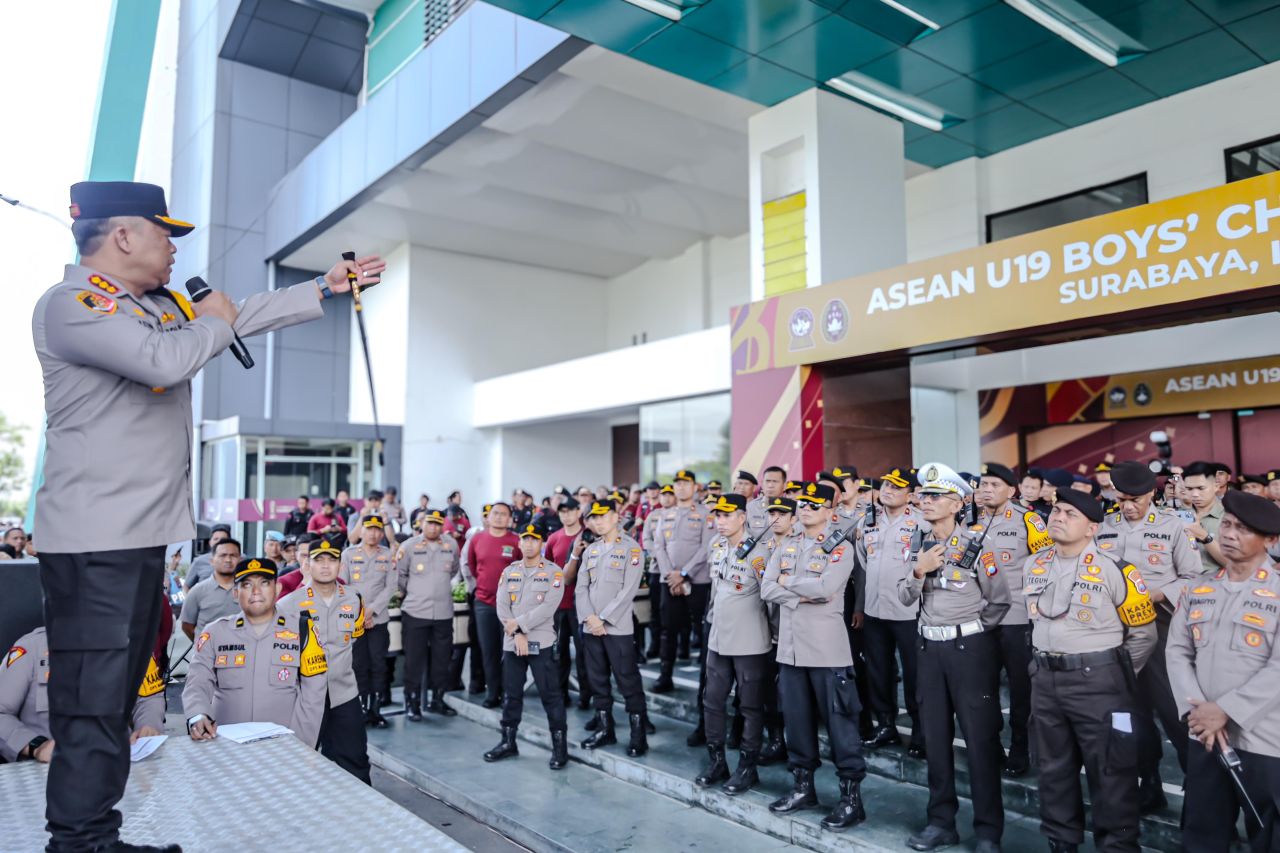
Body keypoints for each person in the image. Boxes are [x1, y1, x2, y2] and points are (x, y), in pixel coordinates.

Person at [29, 180, 380, 853]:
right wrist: (214, 321)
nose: (173, 249)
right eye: (165, 234)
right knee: (90, 703)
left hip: (138, 538)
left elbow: (234, 314)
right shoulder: (73, 306)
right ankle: (75, 843)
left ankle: (96, 835)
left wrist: (323, 287)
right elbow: (163, 361)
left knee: (116, 696)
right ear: (123, 234)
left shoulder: (155, 306)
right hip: (91, 541)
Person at [1025, 487, 1157, 853]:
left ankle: (1117, 847)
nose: (1058, 518)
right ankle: (1061, 842)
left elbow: (1144, 635)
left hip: (1099, 682)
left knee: (1111, 771)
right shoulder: (1033, 564)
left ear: (1092, 528)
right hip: (1046, 679)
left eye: (1070, 514)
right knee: (1052, 769)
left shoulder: (1117, 569)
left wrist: (1110, 671)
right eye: (1056, 511)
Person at [897, 464, 1010, 853]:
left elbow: (999, 601)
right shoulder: (918, 543)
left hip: (968, 650)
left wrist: (971, 631)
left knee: (980, 742)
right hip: (928, 649)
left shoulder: (977, 544)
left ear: (958, 503)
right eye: (924, 495)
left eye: (936, 496)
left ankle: (988, 832)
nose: (926, 502)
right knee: (935, 738)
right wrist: (919, 570)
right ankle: (941, 822)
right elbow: (904, 597)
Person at [1167, 490, 1280, 850]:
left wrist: (1226, 711)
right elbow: (1177, 652)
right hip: (1204, 734)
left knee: (1270, 836)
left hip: (1264, 739)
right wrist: (1198, 712)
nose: (1229, 534)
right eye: (1227, 524)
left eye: (1243, 529)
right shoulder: (1198, 588)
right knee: (1202, 834)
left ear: (1271, 541)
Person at [760, 482, 867, 830]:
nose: (805, 509)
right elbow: (765, 588)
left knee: (840, 727)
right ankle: (803, 788)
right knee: (796, 724)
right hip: (790, 651)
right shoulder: (787, 544)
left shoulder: (840, 547)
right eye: (803, 504)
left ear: (830, 512)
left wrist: (786, 583)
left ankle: (851, 800)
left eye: (814, 504)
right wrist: (798, 592)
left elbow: (825, 589)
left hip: (826, 652)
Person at [1096, 460, 1202, 809]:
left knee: (1174, 713)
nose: (1128, 506)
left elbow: (1193, 579)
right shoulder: (1104, 526)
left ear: (1151, 495)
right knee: (1132, 713)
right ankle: (1149, 783)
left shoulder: (1173, 526)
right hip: (1115, 632)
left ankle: (1199, 793)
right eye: (1122, 499)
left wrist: (1153, 595)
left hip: (1161, 629)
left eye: (1135, 500)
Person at [184, 557, 328, 747]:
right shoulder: (215, 632)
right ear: (236, 593)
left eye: (264, 583)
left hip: (284, 744)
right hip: (224, 744)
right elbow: (197, 682)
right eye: (247, 584)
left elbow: (314, 694)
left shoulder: (303, 630)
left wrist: (301, 744)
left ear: (277, 589)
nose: (256, 591)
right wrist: (198, 714)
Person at [972, 462, 1053, 778]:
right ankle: (990, 747)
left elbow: (1047, 565)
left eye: (994, 484)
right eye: (983, 484)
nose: (987, 490)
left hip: (1017, 619)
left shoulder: (1028, 520)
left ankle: (1020, 749)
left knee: (1021, 690)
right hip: (979, 619)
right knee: (983, 688)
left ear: (1011, 490)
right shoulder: (970, 521)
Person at [695, 494, 773, 795]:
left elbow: (771, 599)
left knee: (750, 706)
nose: (721, 521)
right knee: (712, 700)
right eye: (718, 515)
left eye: (727, 515)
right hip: (719, 637)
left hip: (750, 640)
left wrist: (773, 633)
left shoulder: (760, 553)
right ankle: (717, 762)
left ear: (743, 517)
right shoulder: (718, 548)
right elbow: (717, 592)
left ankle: (747, 767)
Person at [278, 536, 370, 783]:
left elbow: (355, 639)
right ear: (308, 564)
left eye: (332, 560)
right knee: (298, 761)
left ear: (341, 565)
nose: (326, 566)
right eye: (319, 560)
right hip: (304, 697)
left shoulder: (354, 599)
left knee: (355, 758)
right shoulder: (289, 604)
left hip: (344, 693)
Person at [1, 628, 166, 763]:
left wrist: (148, 727)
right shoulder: (31, 648)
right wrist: (37, 746)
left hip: (118, 767)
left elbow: (148, 698)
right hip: (50, 772)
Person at [484, 525, 569, 770]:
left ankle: (560, 748)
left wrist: (519, 627)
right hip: (513, 643)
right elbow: (502, 606)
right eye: (525, 539)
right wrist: (517, 633)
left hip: (541, 643)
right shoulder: (509, 571)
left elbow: (548, 608)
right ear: (519, 543)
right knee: (511, 695)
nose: (529, 544)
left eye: (534, 539)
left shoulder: (554, 572)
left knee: (550, 695)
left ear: (542, 543)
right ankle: (508, 742)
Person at [859, 467, 928, 756]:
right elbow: (864, 559)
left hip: (908, 611)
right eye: (886, 485)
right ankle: (886, 725)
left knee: (915, 674)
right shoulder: (868, 520)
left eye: (896, 487)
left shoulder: (922, 522)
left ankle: (921, 731)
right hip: (875, 609)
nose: (887, 490)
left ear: (910, 495)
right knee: (878, 671)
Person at [576, 499, 649, 756]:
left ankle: (638, 735)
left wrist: (603, 618)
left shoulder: (632, 549)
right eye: (594, 517)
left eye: (603, 516)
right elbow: (581, 588)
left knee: (627, 680)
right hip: (591, 628)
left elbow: (629, 591)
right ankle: (605, 729)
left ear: (616, 517)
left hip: (617, 628)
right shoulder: (590, 550)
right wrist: (589, 617)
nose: (597, 521)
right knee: (597, 680)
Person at [395, 509, 461, 721]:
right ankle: (412, 702)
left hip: (443, 612)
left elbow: (453, 570)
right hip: (416, 611)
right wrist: (414, 592)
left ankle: (438, 699)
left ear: (442, 526)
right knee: (414, 660)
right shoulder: (409, 547)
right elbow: (400, 576)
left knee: (442, 659)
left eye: (437, 524)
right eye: (429, 523)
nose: (433, 527)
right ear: (422, 524)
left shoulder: (451, 545)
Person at [651, 470, 714, 693]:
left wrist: (684, 573)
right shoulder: (665, 514)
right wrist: (671, 575)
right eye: (677, 483)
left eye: (686, 483)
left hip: (698, 581)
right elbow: (659, 546)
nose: (681, 487)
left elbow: (706, 547)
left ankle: (706, 683)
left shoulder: (706, 514)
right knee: (667, 630)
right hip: (669, 582)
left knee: (703, 630)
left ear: (695, 487)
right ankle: (665, 676)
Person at [340, 515, 395, 727]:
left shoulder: (387, 555)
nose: (373, 533)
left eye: (377, 529)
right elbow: (343, 586)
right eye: (369, 529)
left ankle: (376, 709)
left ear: (382, 533)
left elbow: (390, 586)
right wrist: (362, 613)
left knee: (379, 664)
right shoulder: (348, 554)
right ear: (361, 531)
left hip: (378, 620)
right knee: (359, 664)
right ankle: (362, 708)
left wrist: (371, 610)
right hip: (355, 621)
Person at [468, 502, 520, 710]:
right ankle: (492, 693)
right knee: (488, 651)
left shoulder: (516, 541)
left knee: (509, 652)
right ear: (488, 517)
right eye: (495, 513)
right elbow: (473, 567)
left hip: (511, 606)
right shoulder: (477, 539)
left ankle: (509, 694)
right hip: (484, 603)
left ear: (510, 519)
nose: (498, 517)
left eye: (503, 514)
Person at [544, 496, 591, 708]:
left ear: (578, 511)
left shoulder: (589, 535)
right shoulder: (554, 538)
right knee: (559, 653)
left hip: (583, 605)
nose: (566, 515)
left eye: (570, 511)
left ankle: (585, 696)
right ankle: (561, 694)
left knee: (584, 653)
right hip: (559, 606)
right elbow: (546, 570)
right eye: (562, 511)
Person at [179, 537, 243, 639]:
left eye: (233, 555)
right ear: (212, 561)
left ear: (241, 560)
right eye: (223, 555)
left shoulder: (248, 590)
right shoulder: (197, 591)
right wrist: (204, 643)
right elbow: (187, 626)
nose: (228, 560)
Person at [641, 484, 676, 661]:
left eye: (670, 494)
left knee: (674, 611)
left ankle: (679, 645)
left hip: (676, 569)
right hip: (656, 569)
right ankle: (655, 644)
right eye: (664, 495)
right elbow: (646, 539)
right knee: (655, 609)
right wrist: (658, 554)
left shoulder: (681, 514)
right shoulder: (653, 516)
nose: (667, 498)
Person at [1183, 461, 1227, 573]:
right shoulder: (1178, 515)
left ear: (1216, 486)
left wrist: (1204, 536)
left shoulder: (1230, 517)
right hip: (1183, 580)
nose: (1195, 494)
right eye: (1189, 489)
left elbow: (1234, 564)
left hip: (1216, 580)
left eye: (1201, 488)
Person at [184, 524, 230, 591]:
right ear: (210, 542)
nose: (219, 542)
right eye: (216, 539)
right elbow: (186, 586)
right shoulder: (199, 561)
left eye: (223, 539)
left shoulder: (240, 559)